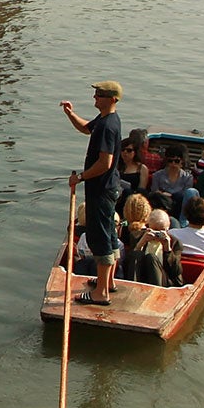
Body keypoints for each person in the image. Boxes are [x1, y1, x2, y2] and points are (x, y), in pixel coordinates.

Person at [61, 80, 125, 306]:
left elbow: (105, 163)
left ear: (112, 99)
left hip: (102, 189)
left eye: (99, 95)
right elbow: (86, 128)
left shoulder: (109, 126)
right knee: (109, 234)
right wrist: (70, 113)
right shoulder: (104, 121)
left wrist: (80, 177)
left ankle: (101, 293)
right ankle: (107, 282)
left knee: (100, 239)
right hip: (105, 188)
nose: (95, 98)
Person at [150, 143, 195, 215]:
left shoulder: (188, 177)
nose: (173, 164)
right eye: (170, 161)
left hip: (179, 206)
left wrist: (170, 195)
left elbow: (186, 195)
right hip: (161, 205)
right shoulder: (157, 175)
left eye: (176, 161)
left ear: (182, 161)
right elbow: (154, 191)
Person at [115, 128, 152, 211]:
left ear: (135, 152)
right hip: (118, 195)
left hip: (134, 197)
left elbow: (142, 188)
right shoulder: (116, 167)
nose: (125, 153)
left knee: (133, 192)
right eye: (123, 150)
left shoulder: (141, 168)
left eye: (129, 150)